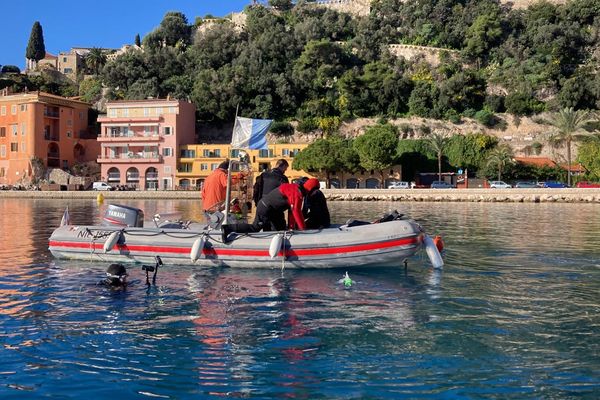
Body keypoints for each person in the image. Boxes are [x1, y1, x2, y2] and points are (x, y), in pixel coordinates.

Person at [223, 179, 316, 242]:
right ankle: (228, 228)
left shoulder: (295, 188)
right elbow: (296, 211)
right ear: (311, 189)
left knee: (280, 230)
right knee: (255, 228)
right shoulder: (297, 193)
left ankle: (277, 248)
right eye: (315, 191)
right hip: (265, 208)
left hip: (274, 211)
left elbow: (292, 212)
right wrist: (304, 230)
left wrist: (292, 228)